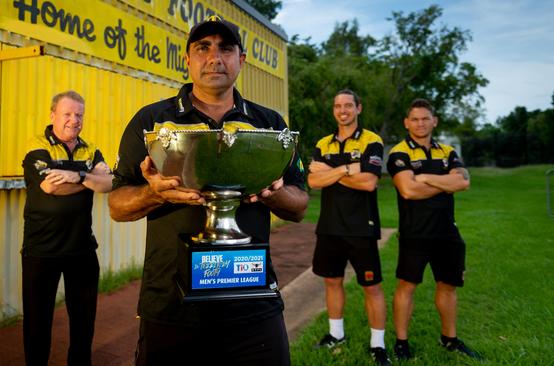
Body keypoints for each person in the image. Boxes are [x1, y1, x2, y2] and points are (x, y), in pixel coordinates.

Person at [108, 15, 309, 366]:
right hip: (172, 304)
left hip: (252, 301)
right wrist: (156, 193)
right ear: (187, 59)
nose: (215, 57)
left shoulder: (269, 124)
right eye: (203, 48)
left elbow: (300, 205)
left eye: (226, 48)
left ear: (241, 60)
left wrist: (271, 192)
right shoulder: (152, 122)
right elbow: (117, 206)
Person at [21, 90, 113, 365]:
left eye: (79, 115)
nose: (74, 120)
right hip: (41, 251)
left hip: (81, 250)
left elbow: (109, 183)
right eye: (67, 114)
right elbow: (51, 187)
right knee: (38, 325)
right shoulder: (36, 146)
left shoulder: (90, 148)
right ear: (52, 116)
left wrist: (78, 174)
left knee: (84, 325)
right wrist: (89, 179)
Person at [387, 98, 482, 361]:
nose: (420, 123)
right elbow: (407, 189)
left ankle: (449, 339)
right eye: (415, 119)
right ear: (407, 123)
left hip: (447, 232)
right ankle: (401, 343)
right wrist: (445, 182)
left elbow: (463, 182)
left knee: (448, 285)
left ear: (434, 121)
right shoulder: (399, 153)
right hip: (414, 232)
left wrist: (427, 178)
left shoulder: (448, 151)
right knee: (407, 286)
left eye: (425, 118)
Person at [307, 89, 391, 365]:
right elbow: (313, 182)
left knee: (372, 286)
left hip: (361, 227)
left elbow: (369, 182)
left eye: (348, 105)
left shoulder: (372, 140)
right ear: (333, 110)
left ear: (358, 108)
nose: (342, 110)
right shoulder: (323, 143)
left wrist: (330, 171)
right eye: (337, 106)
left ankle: (377, 345)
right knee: (332, 281)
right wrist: (347, 169)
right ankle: (336, 334)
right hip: (329, 226)